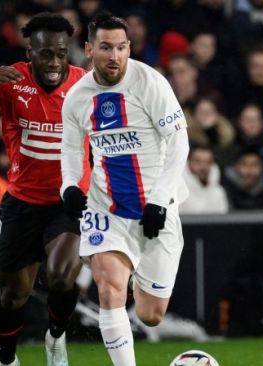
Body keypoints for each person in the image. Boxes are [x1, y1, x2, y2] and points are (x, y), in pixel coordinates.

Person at [0, 12, 90, 366]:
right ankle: (6, 360)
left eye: (60, 52)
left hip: (67, 202)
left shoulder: (85, 84)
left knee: (59, 275)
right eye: (45, 54)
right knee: (13, 295)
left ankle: (55, 337)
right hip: (22, 203)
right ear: (30, 53)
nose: (54, 61)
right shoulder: (9, 82)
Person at [60, 13, 190, 366]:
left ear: (129, 48)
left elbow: (179, 145)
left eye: (121, 47)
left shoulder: (151, 83)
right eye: (105, 47)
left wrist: (160, 201)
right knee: (107, 287)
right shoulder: (77, 96)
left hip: (156, 208)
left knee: (151, 314)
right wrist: (70, 186)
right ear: (88, 49)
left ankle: (136, 276)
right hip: (107, 206)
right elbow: (71, 148)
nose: (114, 56)